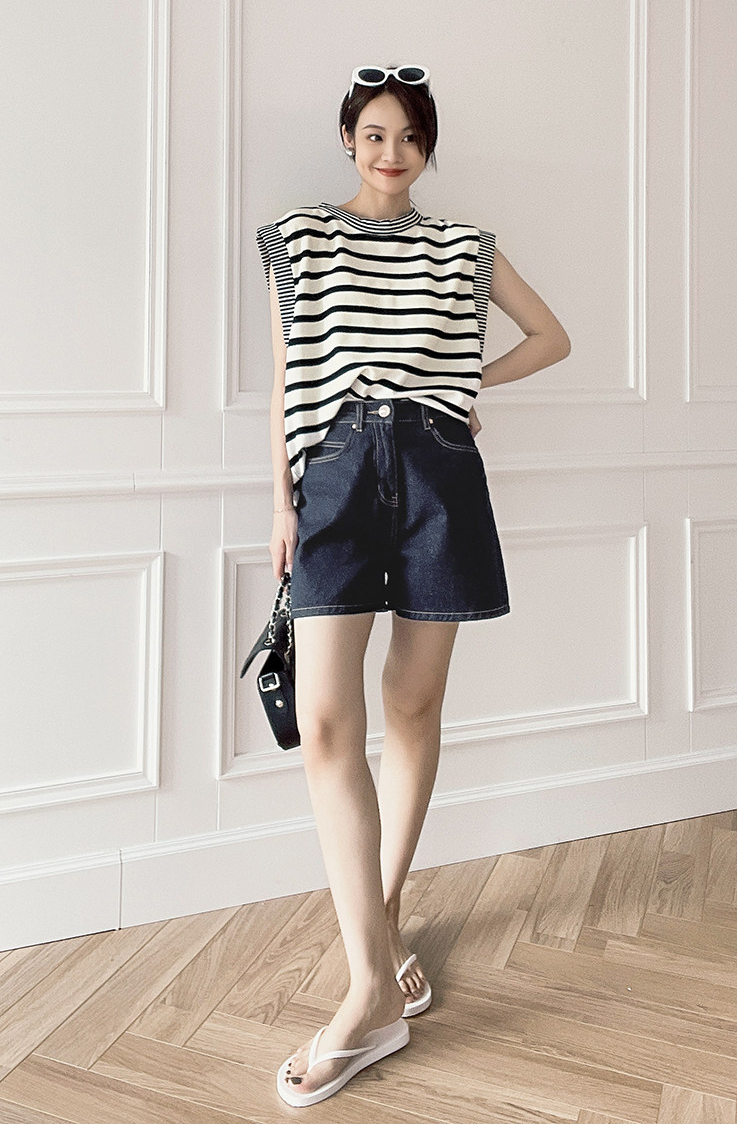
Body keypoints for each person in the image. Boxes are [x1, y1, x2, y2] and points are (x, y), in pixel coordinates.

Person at [257, 64, 571, 1108]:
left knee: (413, 705)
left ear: (428, 148)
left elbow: (552, 336)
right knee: (327, 723)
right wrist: (281, 503)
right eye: (376, 134)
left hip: (437, 469)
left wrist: (464, 379)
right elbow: (286, 380)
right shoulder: (299, 237)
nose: (392, 153)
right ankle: (373, 980)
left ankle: (375, 953)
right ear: (349, 139)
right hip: (336, 473)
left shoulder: (464, 245)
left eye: (410, 138)